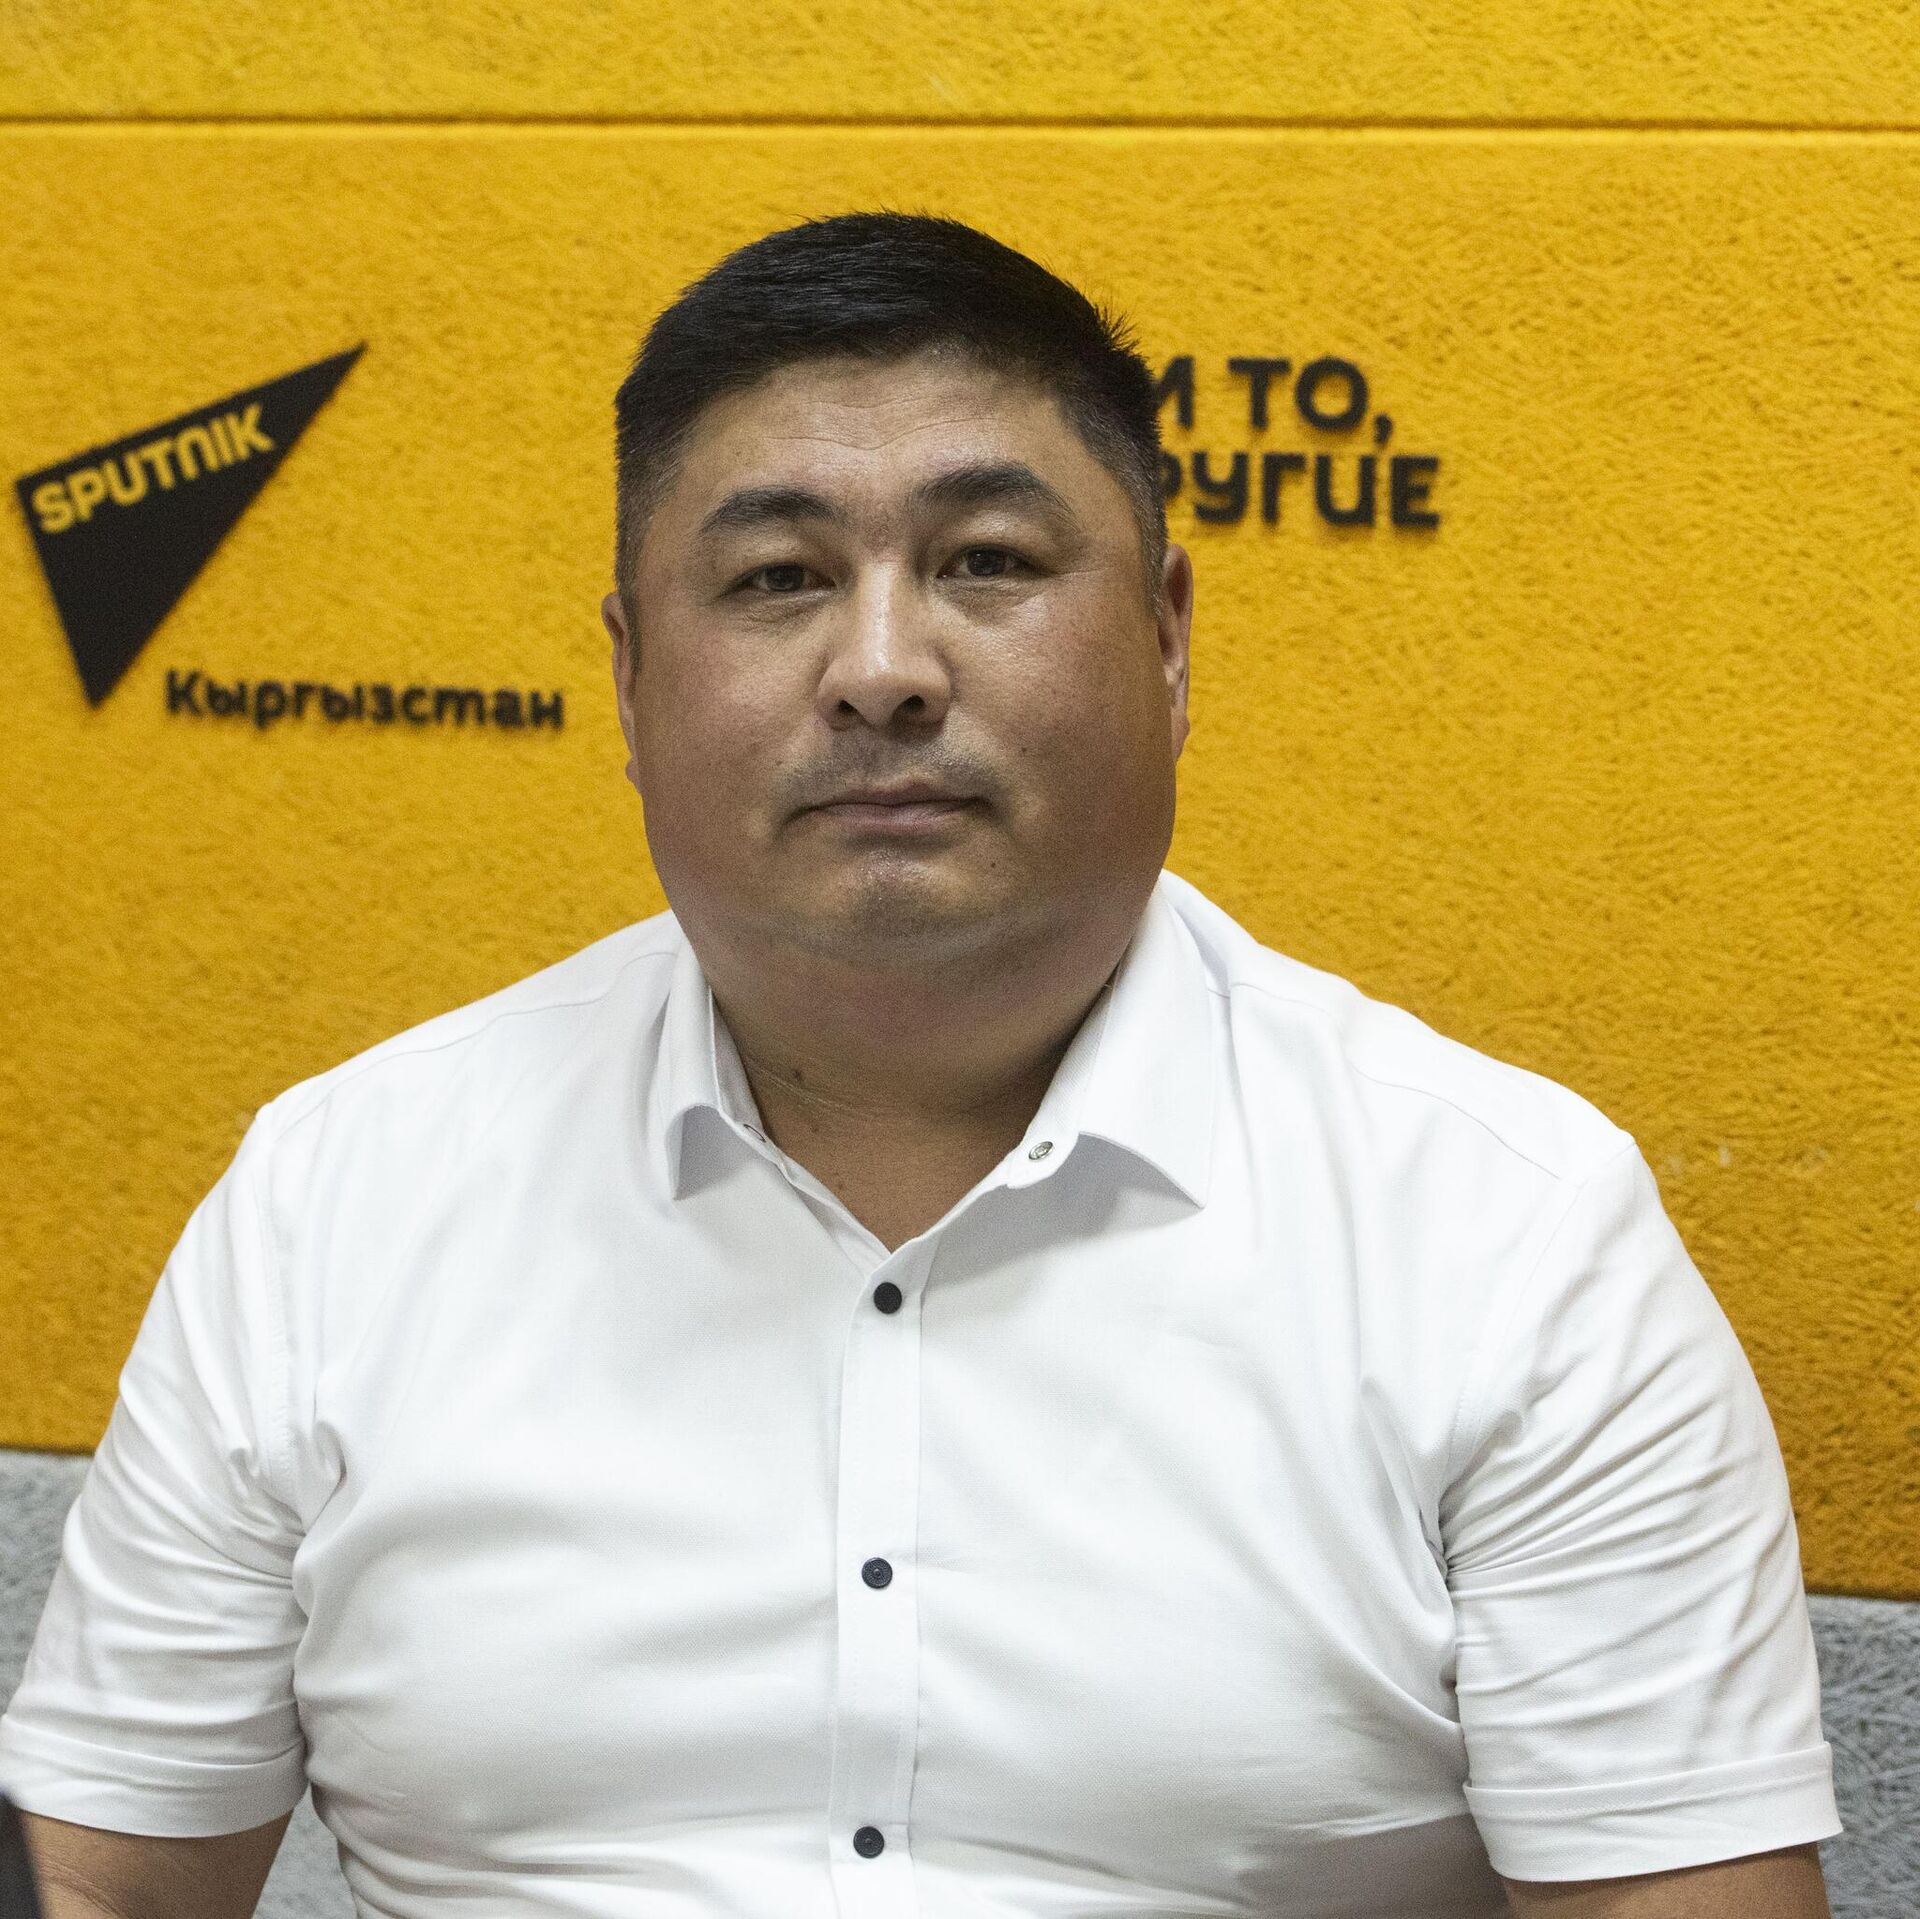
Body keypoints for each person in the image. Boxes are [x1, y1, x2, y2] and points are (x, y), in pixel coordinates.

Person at [1, 212, 1839, 1919]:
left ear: (1170, 639)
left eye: (987, 563)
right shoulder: (339, 1195)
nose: (882, 668)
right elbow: (100, 1885)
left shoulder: (1507, 1232)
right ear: (630, 679)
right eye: (779, 577)